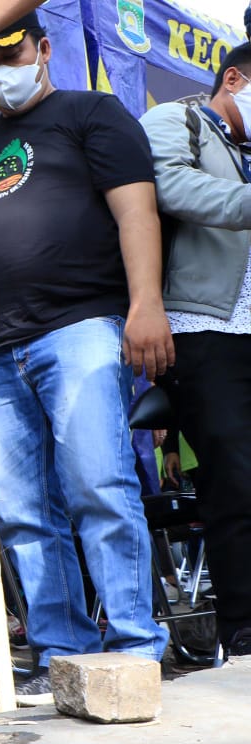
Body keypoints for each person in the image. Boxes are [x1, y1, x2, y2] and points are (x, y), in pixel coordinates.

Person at [0, 14, 171, 705]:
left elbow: (138, 211)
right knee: (23, 513)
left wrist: (145, 303)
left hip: (80, 327)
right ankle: (61, 654)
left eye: (8, 54)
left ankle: (136, 647)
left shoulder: (92, 113)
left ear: (43, 49)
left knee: (98, 486)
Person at [139, 43, 251, 657]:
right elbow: (169, 186)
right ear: (233, 79)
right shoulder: (176, 120)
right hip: (205, 326)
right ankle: (241, 625)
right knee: (234, 479)